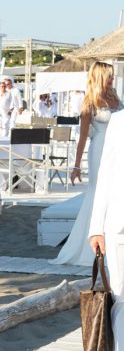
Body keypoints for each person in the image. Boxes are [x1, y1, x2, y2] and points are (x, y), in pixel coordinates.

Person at [51, 61, 122, 266]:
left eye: (112, 75)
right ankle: (91, 245)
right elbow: (82, 137)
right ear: (100, 76)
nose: (112, 78)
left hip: (118, 148)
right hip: (100, 149)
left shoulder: (116, 96)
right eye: (108, 75)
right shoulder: (90, 102)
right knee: (99, 193)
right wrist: (76, 166)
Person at [88, 106, 124, 349]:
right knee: (121, 296)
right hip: (119, 224)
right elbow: (106, 173)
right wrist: (96, 226)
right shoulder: (119, 121)